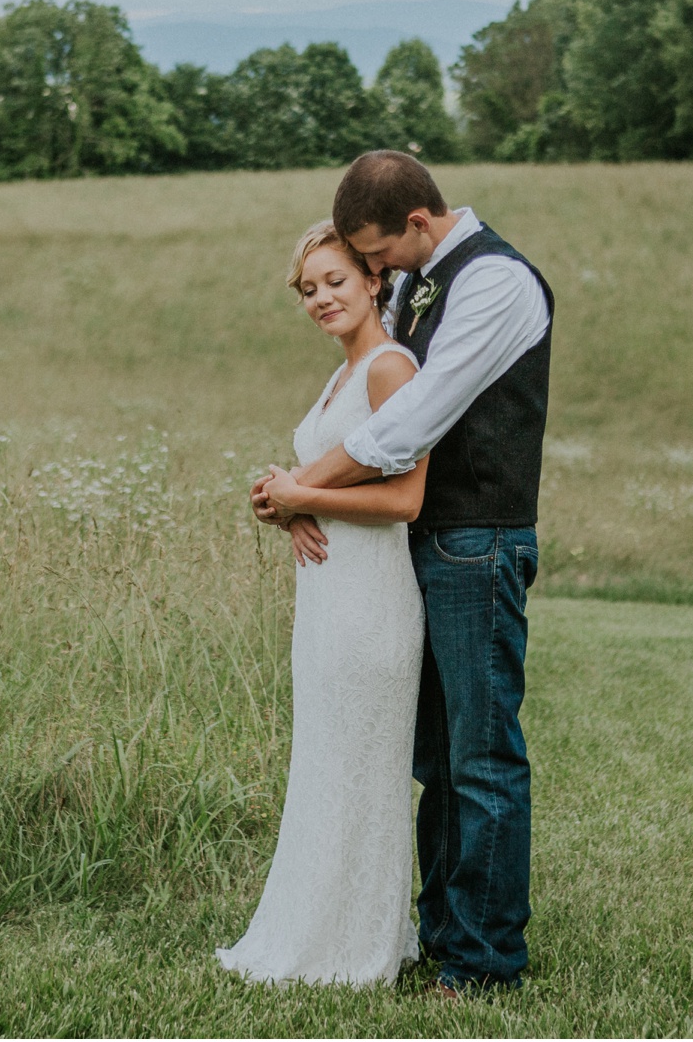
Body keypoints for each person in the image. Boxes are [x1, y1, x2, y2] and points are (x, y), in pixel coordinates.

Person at [257, 150, 553, 997]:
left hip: (478, 538)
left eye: (377, 255)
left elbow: (412, 425)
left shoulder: (495, 282)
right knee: (437, 757)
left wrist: (302, 489)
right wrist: (301, 498)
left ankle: (484, 961)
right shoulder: (427, 276)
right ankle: (438, 933)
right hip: (423, 552)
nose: (375, 274)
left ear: (418, 224)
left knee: (482, 756)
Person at [216, 220, 429, 987]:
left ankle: (354, 947)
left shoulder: (390, 368)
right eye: (307, 289)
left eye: (335, 281)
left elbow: (406, 497)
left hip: (372, 601)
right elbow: (337, 481)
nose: (320, 299)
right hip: (327, 598)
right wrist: (286, 506)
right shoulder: (342, 374)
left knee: (361, 768)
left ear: (374, 279)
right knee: (325, 763)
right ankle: (314, 928)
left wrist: (302, 492)